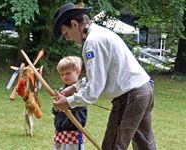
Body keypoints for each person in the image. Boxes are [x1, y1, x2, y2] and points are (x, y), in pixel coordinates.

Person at [53, 2, 156, 150]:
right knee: (144, 145)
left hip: (131, 96)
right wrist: (74, 88)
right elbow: (97, 76)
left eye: (66, 33)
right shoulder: (98, 34)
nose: (68, 38)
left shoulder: (93, 42)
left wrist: (68, 102)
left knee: (112, 146)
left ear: (74, 24)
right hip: (143, 91)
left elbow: (94, 89)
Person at [51, 56, 87, 150]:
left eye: (68, 73)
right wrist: (55, 107)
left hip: (74, 133)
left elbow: (78, 107)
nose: (64, 76)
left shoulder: (81, 92)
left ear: (78, 72)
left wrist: (67, 102)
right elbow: (55, 112)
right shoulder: (61, 90)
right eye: (62, 74)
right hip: (60, 131)